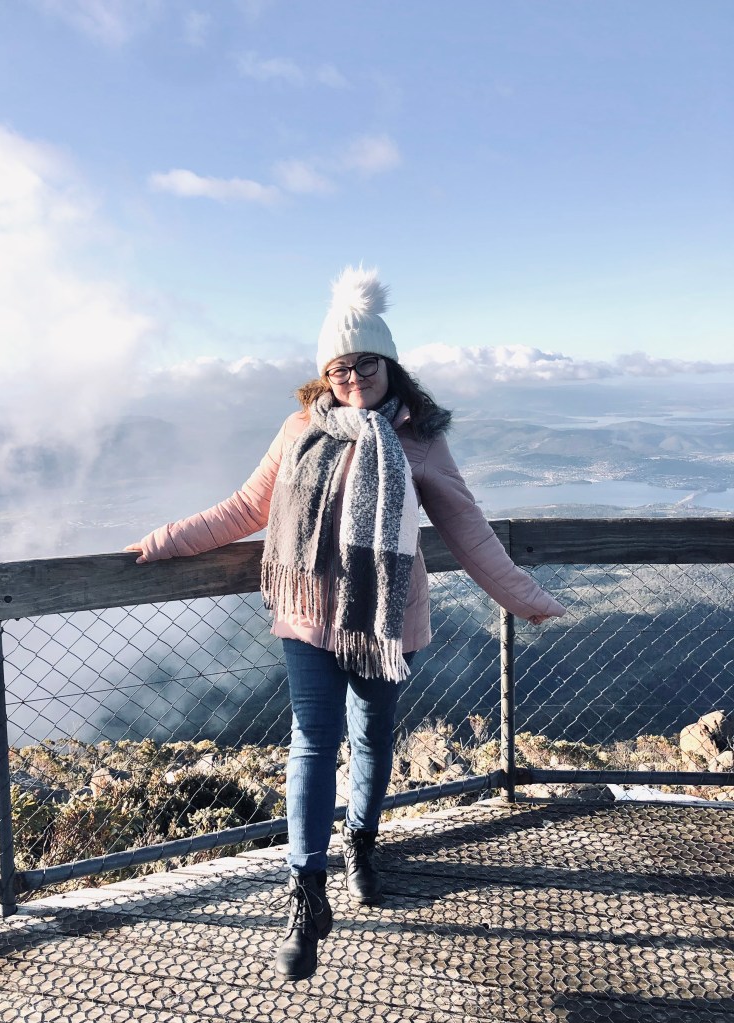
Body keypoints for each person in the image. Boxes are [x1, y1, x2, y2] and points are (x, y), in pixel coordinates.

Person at [127, 265, 565, 981]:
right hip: (306, 616)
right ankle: (306, 891)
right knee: (311, 742)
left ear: (389, 363)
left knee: (371, 737)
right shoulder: (300, 427)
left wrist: (523, 596)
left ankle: (362, 840)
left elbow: (468, 528)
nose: (351, 376)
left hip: (387, 623)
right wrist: (165, 539)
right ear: (323, 374)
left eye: (363, 362)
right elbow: (246, 509)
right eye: (337, 366)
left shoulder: (420, 439)